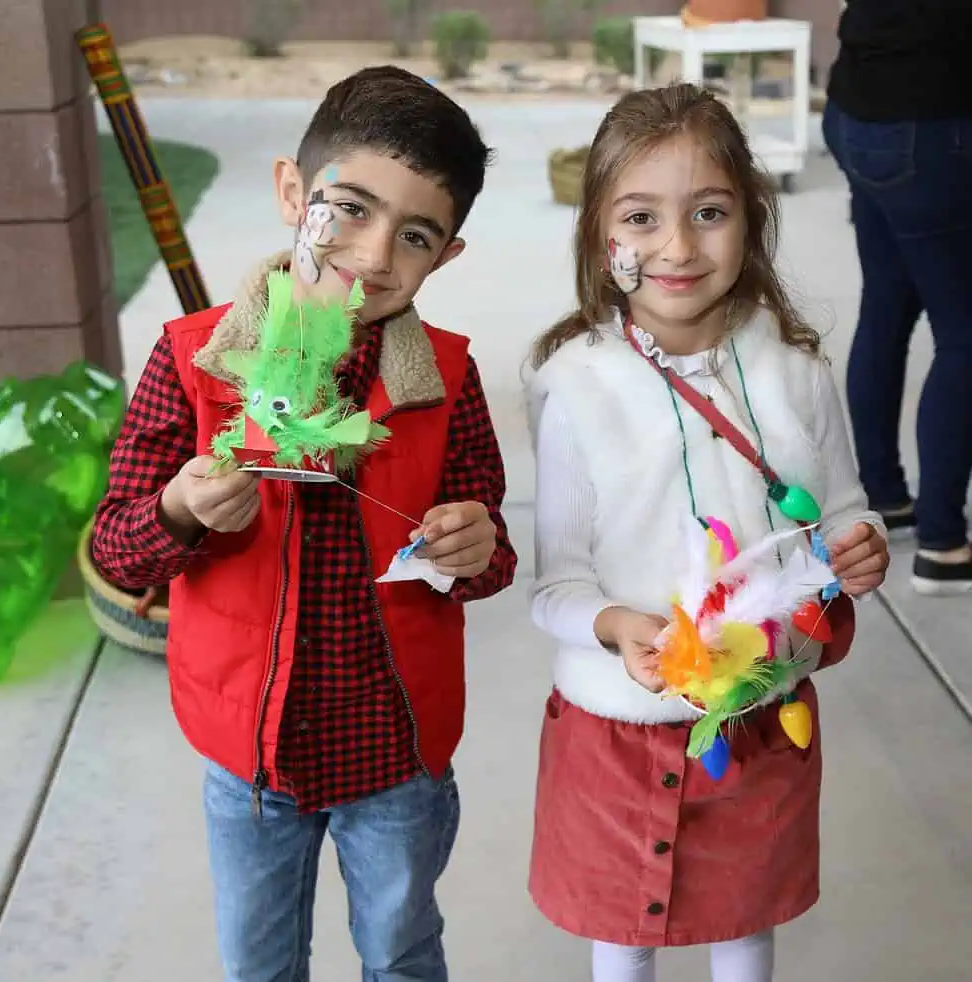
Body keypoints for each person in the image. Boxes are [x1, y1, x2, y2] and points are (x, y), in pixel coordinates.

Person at [92, 66, 517, 982]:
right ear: (292, 191)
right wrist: (179, 509)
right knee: (258, 961)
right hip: (250, 756)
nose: (370, 257)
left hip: (394, 751)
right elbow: (114, 546)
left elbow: (489, 554)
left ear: (445, 257)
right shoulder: (193, 361)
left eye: (413, 235)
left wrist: (471, 548)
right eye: (349, 210)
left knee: (400, 949)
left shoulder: (443, 380)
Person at [523, 84, 889, 982]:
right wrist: (617, 628)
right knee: (621, 931)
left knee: (742, 916)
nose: (678, 248)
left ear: (751, 221)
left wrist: (860, 546)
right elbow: (555, 587)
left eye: (709, 212)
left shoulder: (796, 370)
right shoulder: (572, 383)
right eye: (640, 217)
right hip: (615, 726)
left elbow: (843, 511)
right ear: (598, 239)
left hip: (761, 711)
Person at [823, 0, 972, 594]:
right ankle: (943, 544)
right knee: (964, 335)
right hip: (931, 126)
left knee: (887, 303)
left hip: (859, 112)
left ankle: (885, 497)